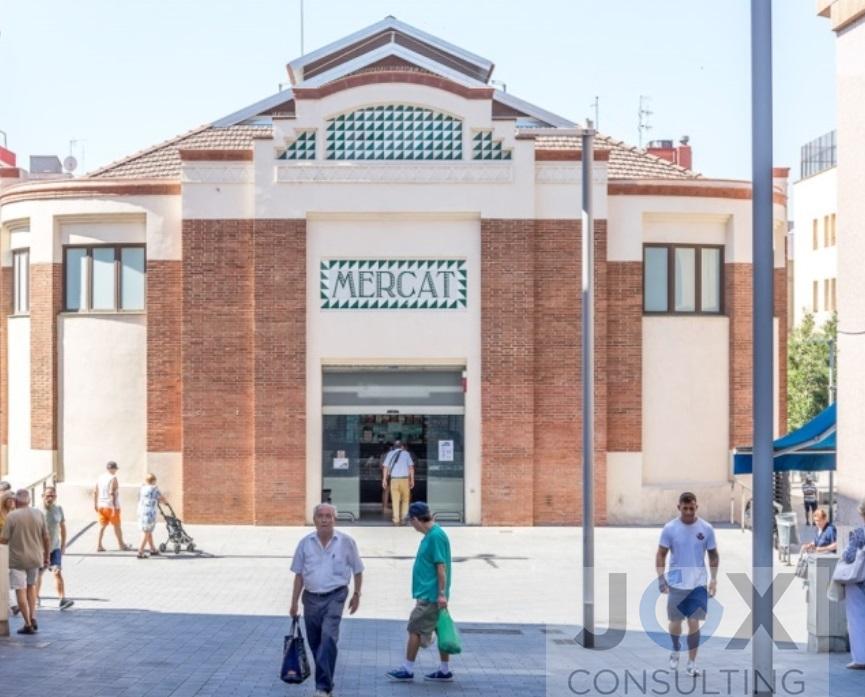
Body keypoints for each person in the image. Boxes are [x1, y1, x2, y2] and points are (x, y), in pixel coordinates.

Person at [290, 503, 364, 697]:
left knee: (329, 638)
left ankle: (322, 687)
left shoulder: (346, 542)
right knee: (315, 643)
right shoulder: (305, 543)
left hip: (336, 595)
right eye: (320, 516)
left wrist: (357, 594)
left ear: (334, 519)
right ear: (314, 520)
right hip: (311, 598)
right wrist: (294, 602)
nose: (324, 519)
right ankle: (327, 680)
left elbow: (358, 569)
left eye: (328, 516)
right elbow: (298, 575)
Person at [387, 501, 454, 683]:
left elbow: (441, 567)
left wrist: (440, 593)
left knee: (414, 628)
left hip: (430, 595)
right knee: (440, 630)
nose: (412, 525)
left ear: (417, 519)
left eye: (411, 521)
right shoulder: (432, 534)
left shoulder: (435, 536)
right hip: (429, 593)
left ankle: (407, 669)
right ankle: (444, 670)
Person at [655, 491, 719, 677]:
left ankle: (692, 663)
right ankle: (675, 649)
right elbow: (661, 554)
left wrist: (713, 579)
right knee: (675, 623)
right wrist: (661, 577)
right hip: (676, 583)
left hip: (698, 584)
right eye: (685, 508)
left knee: (693, 623)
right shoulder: (670, 528)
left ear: (696, 507)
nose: (689, 512)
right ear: (679, 508)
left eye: (692, 508)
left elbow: (713, 555)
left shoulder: (706, 529)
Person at [0, 489, 49, 634]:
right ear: (28, 500)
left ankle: (27, 623)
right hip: (35, 557)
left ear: (16, 501)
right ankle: (33, 616)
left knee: (20, 590)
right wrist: (47, 556)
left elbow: (3, 539)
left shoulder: (12, 516)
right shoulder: (38, 513)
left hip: (16, 559)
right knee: (31, 587)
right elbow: (46, 537)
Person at [36, 487, 74, 610]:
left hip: (55, 547)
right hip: (40, 548)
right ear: (42, 496)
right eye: (48, 496)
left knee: (57, 571)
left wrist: (63, 545)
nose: (50, 498)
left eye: (53, 496)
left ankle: (62, 599)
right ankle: (36, 597)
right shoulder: (36, 510)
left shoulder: (58, 509)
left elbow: (62, 527)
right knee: (38, 574)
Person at [841, 497, 865, 670]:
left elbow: (848, 556)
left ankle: (861, 659)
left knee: (857, 619)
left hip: (859, 583)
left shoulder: (859, 533)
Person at [94, 461, 131, 552]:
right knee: (117, 526)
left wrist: (95, 504)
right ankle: (121, 545)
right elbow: (111, 493)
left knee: (102, 526)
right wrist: (114, 507)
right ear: (114, 469)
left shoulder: (100, 477)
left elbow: (95, 491)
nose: (116, 470)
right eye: (115, 469)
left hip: (101, 505)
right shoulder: (113, 478)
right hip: (111, 506)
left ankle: (99, 545)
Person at [382, 440, 415, 526]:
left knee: (395, 500)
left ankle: (396, 519)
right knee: (405, 500)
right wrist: (412, 480)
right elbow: (411, 467)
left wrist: (384, 479)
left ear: (393, 447)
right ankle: (404, 518)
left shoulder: (390, 454)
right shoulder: (406, 454)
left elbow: (385, 467)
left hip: (394, 480)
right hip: (405, 479)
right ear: (402, 447)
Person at [137, 473, 167, 559]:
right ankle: (140, 551)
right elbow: (161, 498)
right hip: (149, 513)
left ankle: (153, 549)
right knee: (146, 532)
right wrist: (166, 502)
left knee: (148, 531)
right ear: (154, 480)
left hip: (141, 512)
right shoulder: (154, 489)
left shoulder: (142, 488)